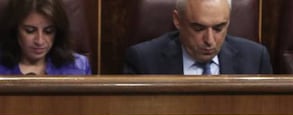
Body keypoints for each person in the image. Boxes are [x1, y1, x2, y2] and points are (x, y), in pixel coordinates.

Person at [123, 0, 273, 75]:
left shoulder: (255, 59)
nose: (209, 40)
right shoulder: (143, 61)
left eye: (218, 28)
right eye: (198, 28)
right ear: (177, 20)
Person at [0, 0, 91, 75]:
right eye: (30, 31)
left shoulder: (79, 67)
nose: (40, 41)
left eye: (48, 32)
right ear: (14, 29)